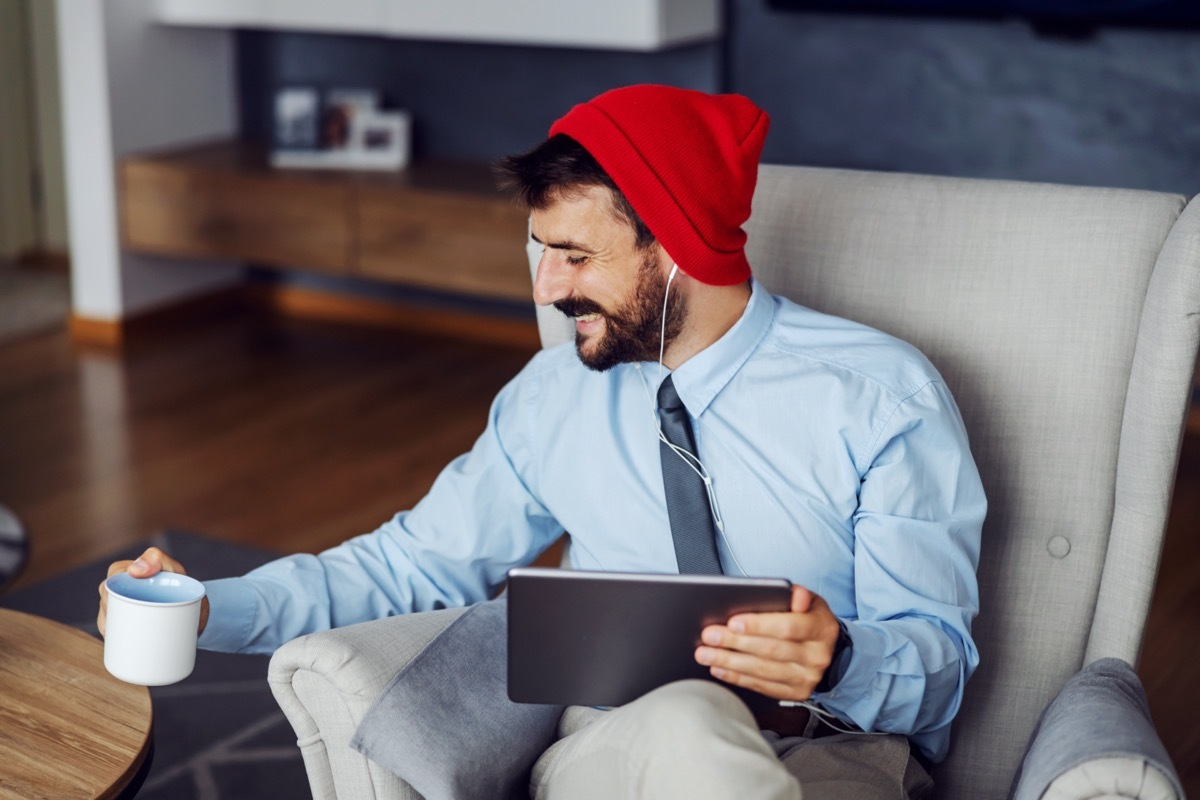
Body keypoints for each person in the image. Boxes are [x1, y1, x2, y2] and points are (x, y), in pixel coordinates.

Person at [99, 85, 985, 799]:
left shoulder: (880, 399)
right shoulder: (552, 397)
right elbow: (404, 568)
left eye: (574, 254)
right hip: (611, 751)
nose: (546, 288)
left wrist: (841, 658)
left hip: (837, 758)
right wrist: (207, 606)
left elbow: (941, 671)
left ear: (675, 248)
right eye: (539, 251)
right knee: (686, 722)